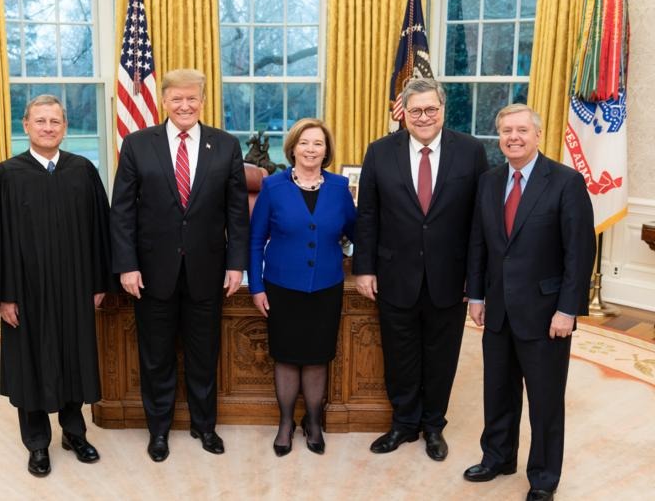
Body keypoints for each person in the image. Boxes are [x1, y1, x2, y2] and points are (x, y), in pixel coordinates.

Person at [110, 68, 249, 462]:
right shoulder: (138, 144)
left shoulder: (225, 145)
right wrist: (127, 265)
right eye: (177, 99)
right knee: (156, 357)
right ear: (163, 102)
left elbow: (237, 211)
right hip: (152, 273)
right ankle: (158, 432)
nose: (185, 105)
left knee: (204, 355)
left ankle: (205, 427)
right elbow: (122, 212)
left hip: (208, 270)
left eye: (192, 99)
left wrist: (236, 263)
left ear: (202, 102)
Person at [463, 104, 595, 501]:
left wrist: (568, 309)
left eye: (522, 130)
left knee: (545, 401)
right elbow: (479, 243)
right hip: (499, 309)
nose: (514, 137)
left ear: (538, 135)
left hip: (546, 312)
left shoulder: (566, 182)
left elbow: (579, 252)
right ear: (499, 137)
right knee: (498, 391)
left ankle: (543, 477)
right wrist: (476, 295)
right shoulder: (489, 181)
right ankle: (498, 457)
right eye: (506, 131)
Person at [352, 77, 488, 460]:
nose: (424, 117)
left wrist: (476, 279)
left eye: (431, 109)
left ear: (443, 110)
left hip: (451, 276)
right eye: (416, 110)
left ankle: (433, 426)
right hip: (395, 274)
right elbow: (368, 215)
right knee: (400, 354)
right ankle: (403, 424)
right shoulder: (380, 152)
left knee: (442, 356)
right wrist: (364, 268)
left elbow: (481, 221)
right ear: (404, 114)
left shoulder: (471, 151)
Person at [0, 95, 112, 477]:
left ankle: (74, 433)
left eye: (55, 121)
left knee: (74, 357)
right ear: (26, 125)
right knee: (30, 362)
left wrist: (100, 282)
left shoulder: (83, 171)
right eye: (40, 121)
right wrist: (4, 295)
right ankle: (37, 444)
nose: (48, 127)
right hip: (26, 290)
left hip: (74, 286)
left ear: (65, 127)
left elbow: (101, 231)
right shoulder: (5, 175)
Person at [249, 118, 356, 457]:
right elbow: (255, 240)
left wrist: (371, 264)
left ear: (327, 151)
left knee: (316, 358)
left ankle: (312, 421)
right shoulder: (273, 187)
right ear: (293, 147)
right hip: (281, 287)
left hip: (326, 287)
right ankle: (285, 423)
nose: (311, 149)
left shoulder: (340, 187)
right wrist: (256, 287)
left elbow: (358, 234)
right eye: (305, 143)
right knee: (286, 357)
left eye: (318, 144)